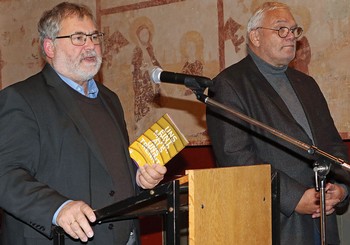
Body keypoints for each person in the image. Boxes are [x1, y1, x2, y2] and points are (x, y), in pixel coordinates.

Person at [0, 2, 166, 244]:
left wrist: (139, 179)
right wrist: (58, 208)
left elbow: (108, 168)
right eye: (78, 38)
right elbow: (6, 174)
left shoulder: (110, 99)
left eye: (94, 36)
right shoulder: (22, 99)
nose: (91, 46)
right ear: (50, 47)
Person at [206, 2, 350, 245]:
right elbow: (236, 159)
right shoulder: (229, 85)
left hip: (324, 221)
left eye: (294, 30)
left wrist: (341, 188)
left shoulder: (307, 84)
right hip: (276, 225)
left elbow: (331, 144)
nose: (291, 36)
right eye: (281, 29)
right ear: (255, 36)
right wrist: (293, 198)